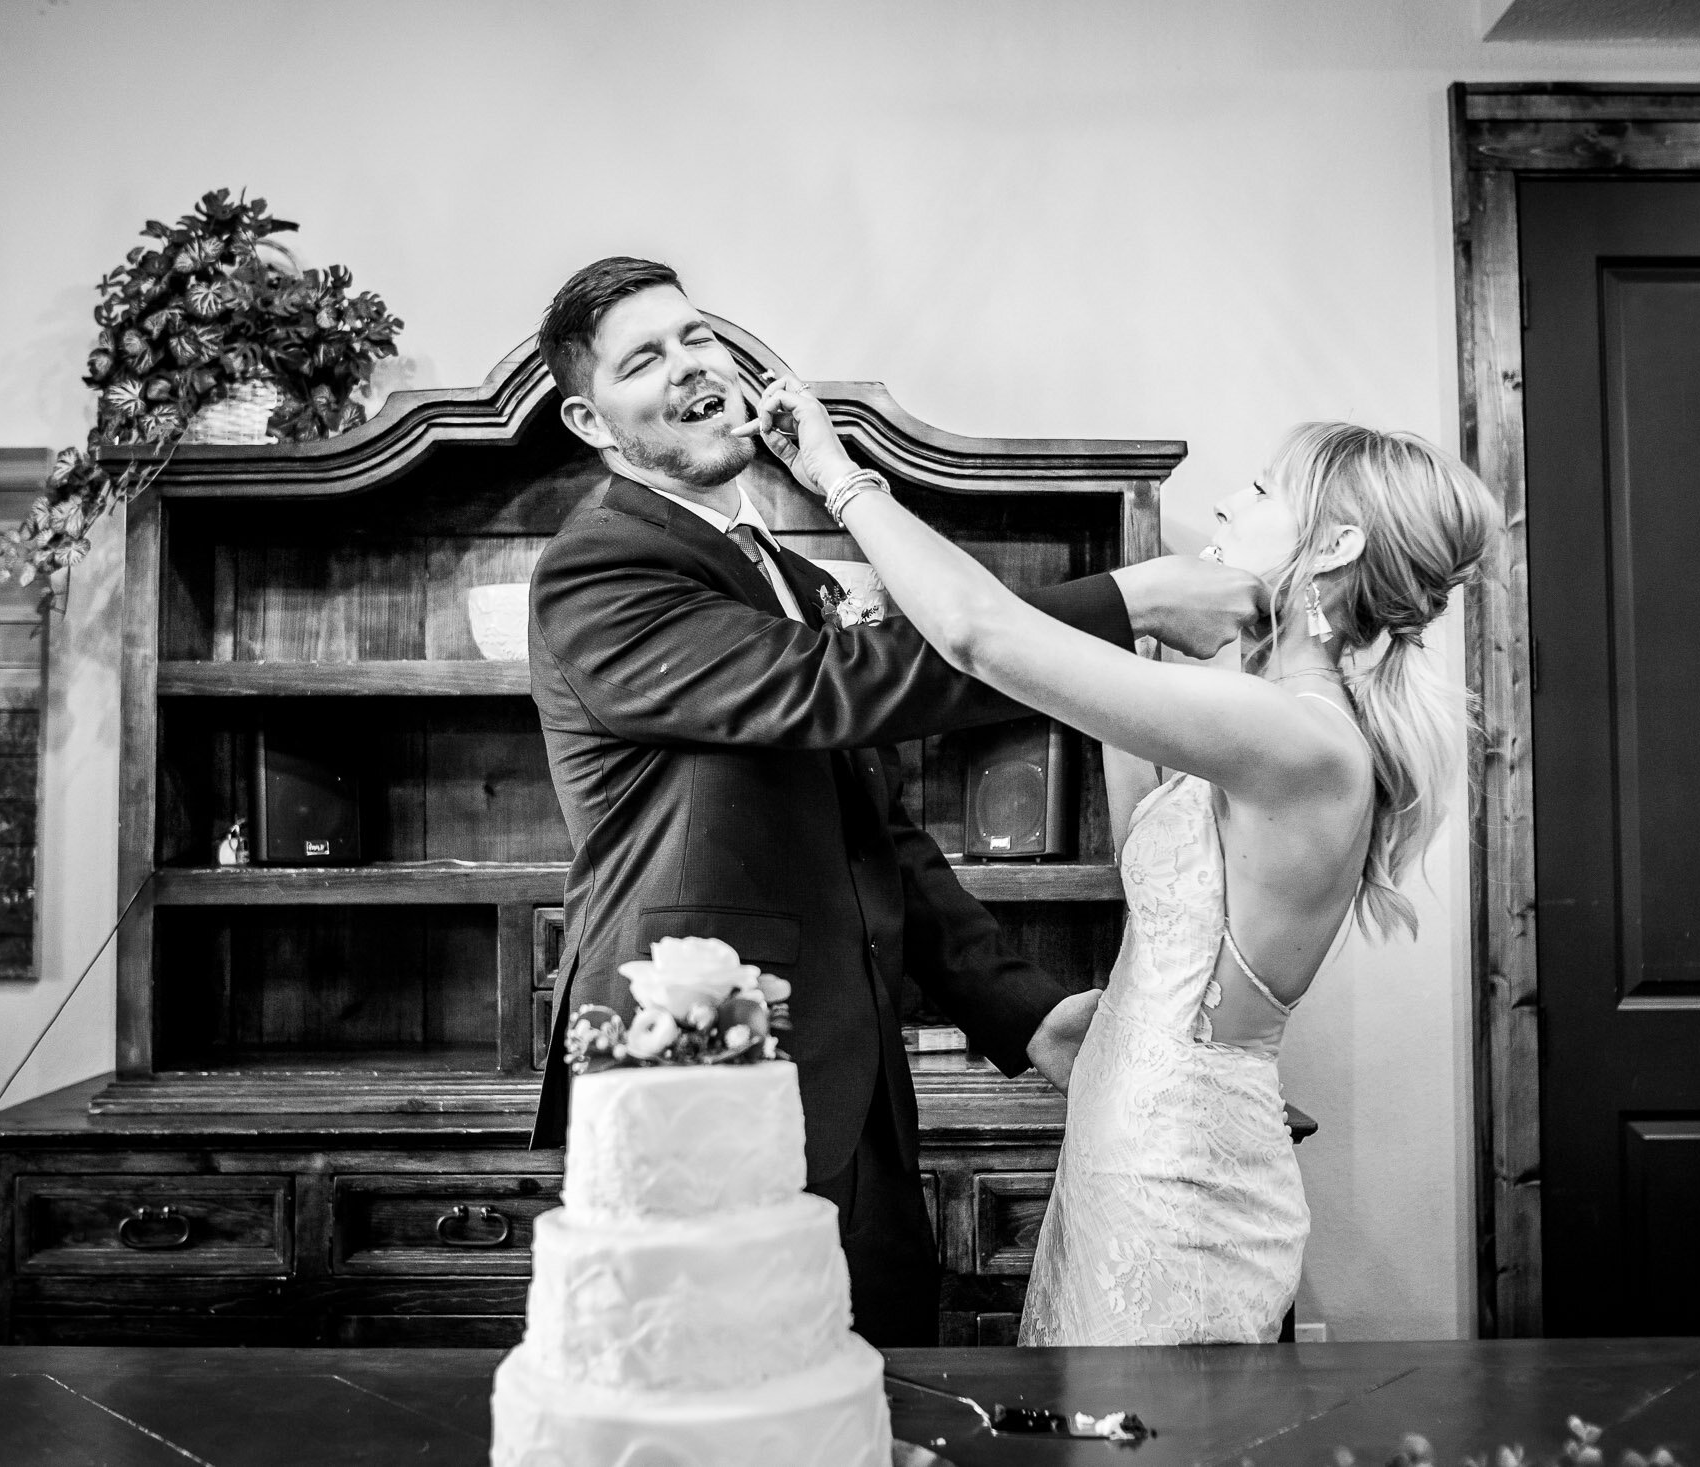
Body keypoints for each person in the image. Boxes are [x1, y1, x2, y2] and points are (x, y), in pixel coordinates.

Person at [523, 256, 1268, 1345]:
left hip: (845, 1062)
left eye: (696, 338)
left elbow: (878, 837)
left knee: (868, 1372)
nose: (692, 366)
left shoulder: (795, 576)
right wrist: (1129, 601)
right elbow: (849, 684)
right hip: (687, 1065)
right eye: (646, 359)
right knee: (713, 1393)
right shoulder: (601, 569)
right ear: (593, 419)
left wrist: (1020, 1009)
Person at [742, 376, 1494, 1344]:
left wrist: (838, 479)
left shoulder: (1298, 738)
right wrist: (1129, 627)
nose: (1230, 503)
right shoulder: (1249, 721)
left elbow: (983, 638)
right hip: (1122, 1139)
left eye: (1263, 491)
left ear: (1338, 545)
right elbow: (1129, 798)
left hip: (1182, 1169)